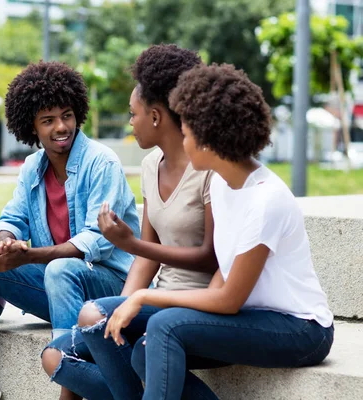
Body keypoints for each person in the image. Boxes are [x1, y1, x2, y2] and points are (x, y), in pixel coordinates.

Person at [73, 63, 334, 400]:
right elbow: (221, 280)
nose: (181, 138)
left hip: (300, 329)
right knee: (132, 342)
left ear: (211, 137)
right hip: (252, 316)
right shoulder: (226, 185)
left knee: (163, 327)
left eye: (187, 131)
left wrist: (143, 296)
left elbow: (228, 299)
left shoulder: (266, 199)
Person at [0, 61, 140, 400]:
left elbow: (95, 242)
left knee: (60, 268)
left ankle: (69, 393)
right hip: (60, 286)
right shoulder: (32, 168)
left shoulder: (103, 162)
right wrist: (4, 244)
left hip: (111, 288)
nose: (61, 127)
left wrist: (31, 255)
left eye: (66, 115)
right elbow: (11, 219)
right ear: (32, 127)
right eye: (48, 120)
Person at [41, 44, 219, 400]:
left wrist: (130, 245)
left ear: (155, 116)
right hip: (154, 296)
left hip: (194, 302)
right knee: (55, 355)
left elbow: (210, 257)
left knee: (97, 319)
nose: (130, 122)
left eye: (132, 114)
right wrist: (122, 307)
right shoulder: (152, 165)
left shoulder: (209, 168)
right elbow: (148, 257)